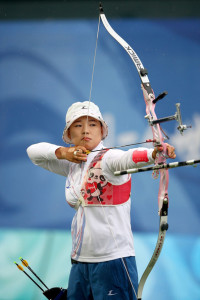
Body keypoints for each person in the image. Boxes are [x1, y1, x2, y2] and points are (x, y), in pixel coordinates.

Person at [27, 101, 176, 300]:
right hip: (80, 261)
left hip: (113, 260)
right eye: (78, 125)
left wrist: (154, 153)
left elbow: (128, 158)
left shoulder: (109, 158)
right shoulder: (71, 165)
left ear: (102, 130)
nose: (85, 130)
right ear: (69, 134)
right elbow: (33, 152)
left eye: (92, 124)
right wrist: (64, 152)